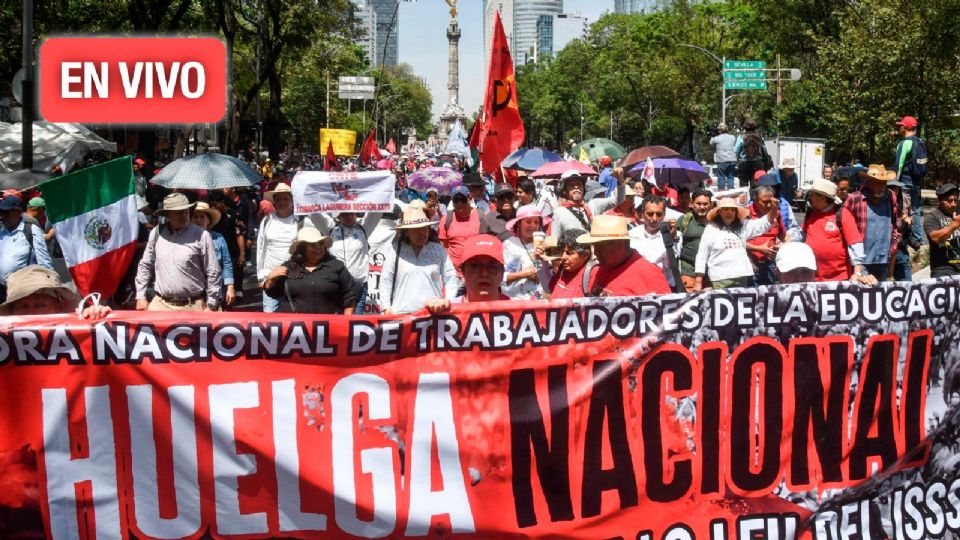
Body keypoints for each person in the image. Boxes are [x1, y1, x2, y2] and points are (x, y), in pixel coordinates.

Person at [135, 193, 221, 311]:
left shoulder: (202, 235)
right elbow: (145, 265)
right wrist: (140, 296)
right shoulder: (156, 233)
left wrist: (211, 304)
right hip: (160, 305)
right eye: (179, 213)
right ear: (167, 214)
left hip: (193, 306)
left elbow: (213, 270)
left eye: (186, 212)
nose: (184, 216)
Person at [380, 207, 459, 314]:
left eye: (425, 228)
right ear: (407, 232)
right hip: (401, 315)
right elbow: (386, 280)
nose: (422, 233)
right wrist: (386, 307)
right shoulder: (395, 250)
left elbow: (450, 277)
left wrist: (449, 301)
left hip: (433, 316)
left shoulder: (438, 250)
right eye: (416, 229)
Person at [263, 227, 359, 314]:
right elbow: (274, 294)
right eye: (313, 245)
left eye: (321, 243)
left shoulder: (336, 266)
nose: (319, 247)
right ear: (301, 248)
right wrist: (270, 280)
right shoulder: (288, 267)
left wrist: (346, 322)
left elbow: (350, 294)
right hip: (296, 329)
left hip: (330, 328)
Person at [694, 197, 778, 290]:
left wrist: (773, 208)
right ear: (719, 212)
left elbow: (763, 223)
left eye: (732, 210)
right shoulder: (711, 229)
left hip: (742, 276)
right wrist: (698, 281)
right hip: (720, 278)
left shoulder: (742, 226)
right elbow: (702, 255)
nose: (729, 213)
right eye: (725, 209)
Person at [577, 215, 671, 297]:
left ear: (623, 243)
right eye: (594, 246)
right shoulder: (599, 269)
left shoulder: (648, 274)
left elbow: (665, 313)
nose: (596, 253)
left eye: (600, 247)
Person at [801, 178, 874, 284]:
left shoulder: (842, 214)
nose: (810, 197)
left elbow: (855, 243)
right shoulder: (810, 214)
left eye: (812, 194)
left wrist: (857, 272)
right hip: (813, 277)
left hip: (838, 279)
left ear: (822, 197)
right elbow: (803, 237)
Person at [314, 210, 382, 309]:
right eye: (344, 214)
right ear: (339, 216)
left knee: (355, 320)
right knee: (337, 320)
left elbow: (376, 212)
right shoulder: (331, 228)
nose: (349, 217)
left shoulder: (363, 227)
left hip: (358, 285)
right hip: (336, 285)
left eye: (351, 213)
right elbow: (314, 214)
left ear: (356, 214)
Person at [424, 235, 509, 313]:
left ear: (502, 273)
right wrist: (432, 314)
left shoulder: (519, 313)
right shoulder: (447, 313)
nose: (484, 273)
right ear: (462, 273)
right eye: (475, 266)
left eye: (492, 266)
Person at [845, 164, 901, 281]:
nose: (881, 186)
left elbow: (895, 225)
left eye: (884, 183)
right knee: (864, 295)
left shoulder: (891, 197)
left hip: (883, 260)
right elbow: (845, 225)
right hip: (861, 261)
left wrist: (893, 251)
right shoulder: (855, 199)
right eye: (877, 183)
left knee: (879, 296)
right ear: (868, 182)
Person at [256, 183, 305, 312]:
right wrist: (261, 276)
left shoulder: (302, 221)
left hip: (296, 278)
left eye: (286, 199)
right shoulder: (267, 221)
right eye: (279, 199)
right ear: (274, 202)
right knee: (270, 320)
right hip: (271, 277)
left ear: (292, 200)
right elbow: (261, 249)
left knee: (296, 319)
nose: (282, 202)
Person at [0, 265, 111, 318]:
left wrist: (99, 317)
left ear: (60, 306)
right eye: (23, 306)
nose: (31, 312)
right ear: (11, 311)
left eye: (40, 305)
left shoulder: (78, 327)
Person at [0, 194, 53, 302]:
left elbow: (44, 262)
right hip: (2, 292)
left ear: (18, 212)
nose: (2, 216)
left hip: (24, 291)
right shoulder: (2, 232)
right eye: (1, 212)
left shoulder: (31, 230)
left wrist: (49, 290)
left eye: (7, 213)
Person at [628, 195, 684, 293]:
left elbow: (672, 265)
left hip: (665, 289)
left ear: (664, 215)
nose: (654, 219)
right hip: (639, 289)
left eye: (659, 214)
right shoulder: (631, 235)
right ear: (642, 214)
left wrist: (671, 240)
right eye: (650, 214)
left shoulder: (675, 235)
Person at [551, 169, 626, 239]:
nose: (576, 187)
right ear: (565, 190)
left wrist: (620, 180)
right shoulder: (559, 212)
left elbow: (618, 200)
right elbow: (555, 240)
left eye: (579, 184)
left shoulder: (593, 204)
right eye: (572, 185)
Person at [192, 201, 236, 308]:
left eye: (202, 217)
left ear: (208, 221)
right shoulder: (186, 239)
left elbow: (226, 263)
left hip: (215, 290)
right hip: (193, 292)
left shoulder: (218, 238)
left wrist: (230, 287)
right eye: (195, 216)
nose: (198, 220)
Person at [502, 205, 551, 299]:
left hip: (540, 301)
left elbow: (551, 275)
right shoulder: (509, 244)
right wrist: (524, 274)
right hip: (514, 301)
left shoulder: (546, 242)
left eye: (536, 222)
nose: (533, 226)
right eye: (528, 222)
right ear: (519, 224)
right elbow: (500, 277)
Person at [745, 185, 789, 285]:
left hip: (771, 264)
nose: (769, 205)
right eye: (765, 202)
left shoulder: (776, 213)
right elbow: (737, 241)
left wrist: (783, 245)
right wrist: (758, 248)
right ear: (755, 200)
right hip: (751, 263)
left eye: (771, 201)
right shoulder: (746, 214)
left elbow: (785, 237)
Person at [894, 115, 928, 245]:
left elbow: (899, 165)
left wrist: (895, 184)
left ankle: (904, 237)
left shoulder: (904, 143)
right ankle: (918, 238)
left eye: (900, 125)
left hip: (905, 182)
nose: (899, 128)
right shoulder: (919, 142)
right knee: (915, 209)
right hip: (917, 182)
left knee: (904, 208)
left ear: (905, 127)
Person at [677, 189, 713, 292]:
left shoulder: (716, 222)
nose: (702, 207)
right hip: (689, 272)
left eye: (705, 204)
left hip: (711, 274)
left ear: (710, 204)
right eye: (699, 203)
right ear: (692, 204)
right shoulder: (684, 220)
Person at [923, 183, 960, 277]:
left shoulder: (957, 215)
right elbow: (936, 238)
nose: (953, 204)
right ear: (939, 200)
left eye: (955, 200)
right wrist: (954, 225)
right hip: (943, 271)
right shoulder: (932, 217)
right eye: (949, 201)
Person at [547, 228, 592, 299]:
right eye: (562, 252)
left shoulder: (592, 275)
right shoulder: (562, 270)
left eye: (570, 253)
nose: (563, 257)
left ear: (585, 255)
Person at [734, 118, 770, 187]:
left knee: (743, 186)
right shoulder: (759, 136)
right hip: (758, 163)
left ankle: (745, 197)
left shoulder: (741, 137)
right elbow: (763, 148)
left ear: (745, 127)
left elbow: (736, 150)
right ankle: (754, 197)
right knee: (756, 185)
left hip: (744, 163)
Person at [710, 123, 738, 190]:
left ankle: (722, 193)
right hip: (732, 160)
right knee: (730, 177)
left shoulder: (717, 138)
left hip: (721, 161)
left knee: (721, 177)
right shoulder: (732, 137)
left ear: (719, 130)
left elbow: (711, 143)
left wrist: (713, 136)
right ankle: (730, 192)